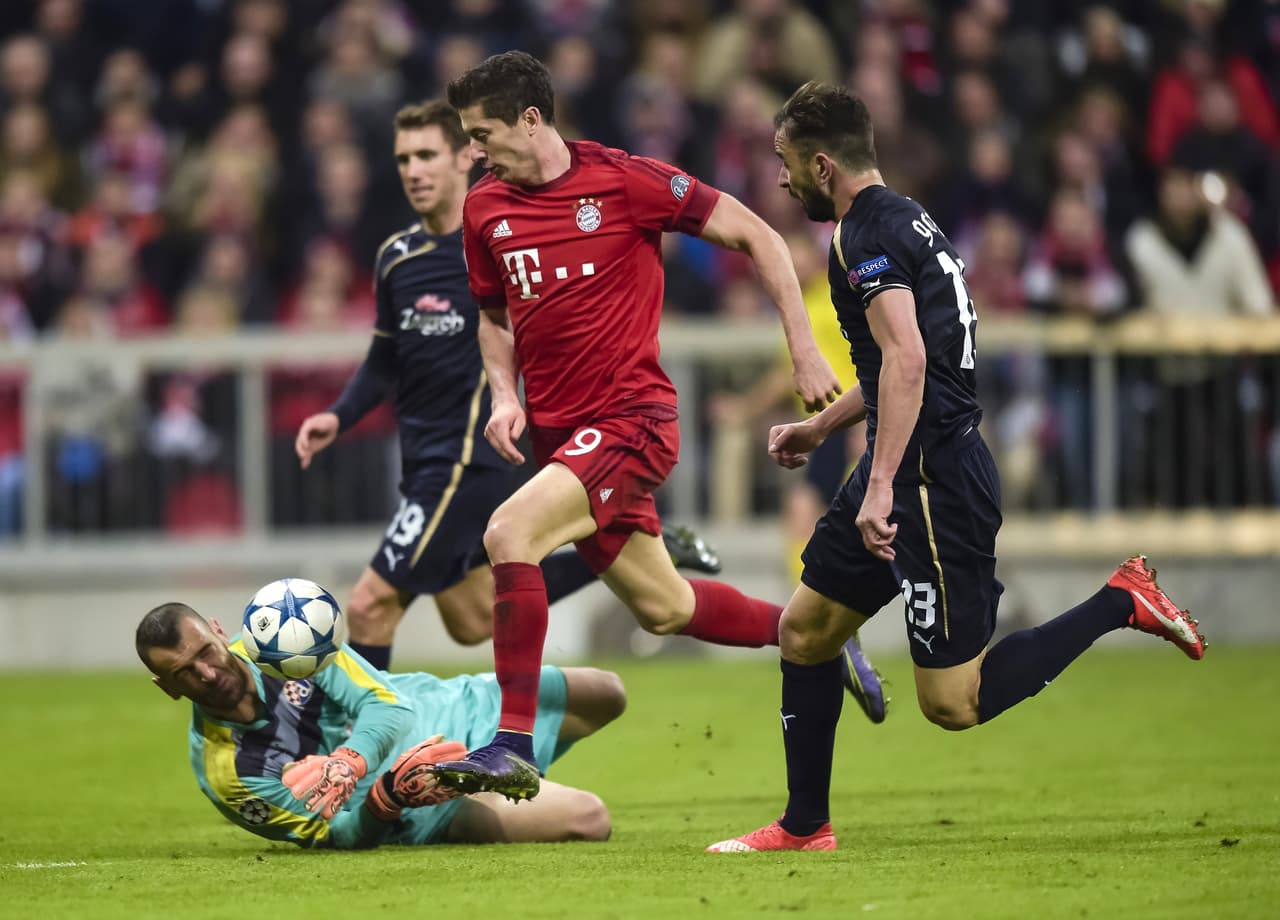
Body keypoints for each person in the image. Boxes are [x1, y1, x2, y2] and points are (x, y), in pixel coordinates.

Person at [706, 82, 1208, 853]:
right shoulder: (907, 217)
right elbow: (905, 363)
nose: (778, 179)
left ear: (820, 164)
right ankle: (805, 826)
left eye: (783, 163)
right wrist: (819, 426)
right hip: (904, 460)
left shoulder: (860, 236)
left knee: (953, 702)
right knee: (805, 631)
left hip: (931, 481)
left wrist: (878, 489)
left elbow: (907, 360)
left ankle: (1121, 599)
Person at [425, 51, 862, 802]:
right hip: (562, 442)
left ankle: (510, 744)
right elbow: (492, 314)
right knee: (666, 608)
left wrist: (802, 346)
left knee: (509, 535)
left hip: (632, 421)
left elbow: (757, 234)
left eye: (483, 133)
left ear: (532, 119)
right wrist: (503, 394)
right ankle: (821, 632)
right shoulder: (483, 209)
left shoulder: (623, 180)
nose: (475, 151)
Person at [293, 100, 722, 670]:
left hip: (468, 463)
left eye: (426, 155)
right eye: (403, 159)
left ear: (464, 157)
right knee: (471, 620)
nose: (414, 171)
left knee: (370, 606)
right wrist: (339, 416)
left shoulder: (502, 240)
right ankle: (653, 546)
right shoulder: (397, 257)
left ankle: (359, 749)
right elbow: (383, 358)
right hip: (421, 462)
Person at [135, 601, 623, 849]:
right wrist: (384, 797)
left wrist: (350, 759)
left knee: (607, 694)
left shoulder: (282, 641)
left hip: (441, 707)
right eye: (185, 672)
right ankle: (497, 781)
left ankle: (513, 764)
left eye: (206, 653)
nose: (207, 673)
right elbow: (334, 835)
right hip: (430, 797)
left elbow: (389, 709)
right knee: (589, 818)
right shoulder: (230, 775)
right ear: (167, 687)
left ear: (220, 634)